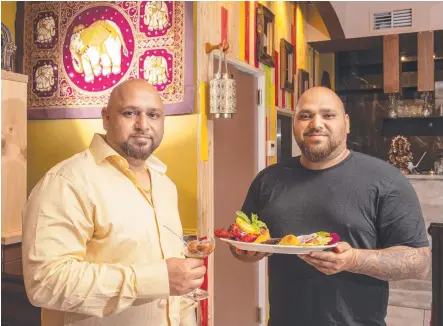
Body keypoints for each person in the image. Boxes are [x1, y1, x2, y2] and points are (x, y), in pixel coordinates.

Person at [230, 86, 431, 326]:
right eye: (305, 116)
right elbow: (246, 243)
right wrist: (245, 252)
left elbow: (419, 262)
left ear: (346, 123)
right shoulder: (268, 180)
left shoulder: (386, 180)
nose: (316, 123)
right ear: (294, 123)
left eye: (328, 115)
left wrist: (353, 259)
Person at [22, 79, 205, 326]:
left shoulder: (165, 186)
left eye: (153, 115)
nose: (143, 125)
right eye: (130, 113)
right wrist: (153, 279)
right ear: (106, 118)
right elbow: (45, 283)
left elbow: (175, 291)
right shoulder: (67, 182)